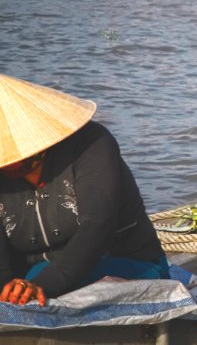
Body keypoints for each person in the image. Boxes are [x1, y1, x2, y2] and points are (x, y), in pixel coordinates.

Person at [0, 74, 169, 306]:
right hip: (32, 275)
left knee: (35, 283)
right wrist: (9, 289)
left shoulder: (91, 144)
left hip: (128, 265)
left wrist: (42, 284)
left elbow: (98, 223)